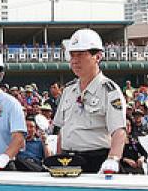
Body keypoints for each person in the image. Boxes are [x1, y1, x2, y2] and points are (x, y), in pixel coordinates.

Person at [50, 29, 127, 174]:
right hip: (67, 160)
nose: (74, 60)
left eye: (80, 54)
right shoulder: (68, 90)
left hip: (96, 160)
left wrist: (113, 159)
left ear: (97, 57)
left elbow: (119, 130)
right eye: (72, 55)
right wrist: (58, 158)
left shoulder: (109, 90)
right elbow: (61, 129)